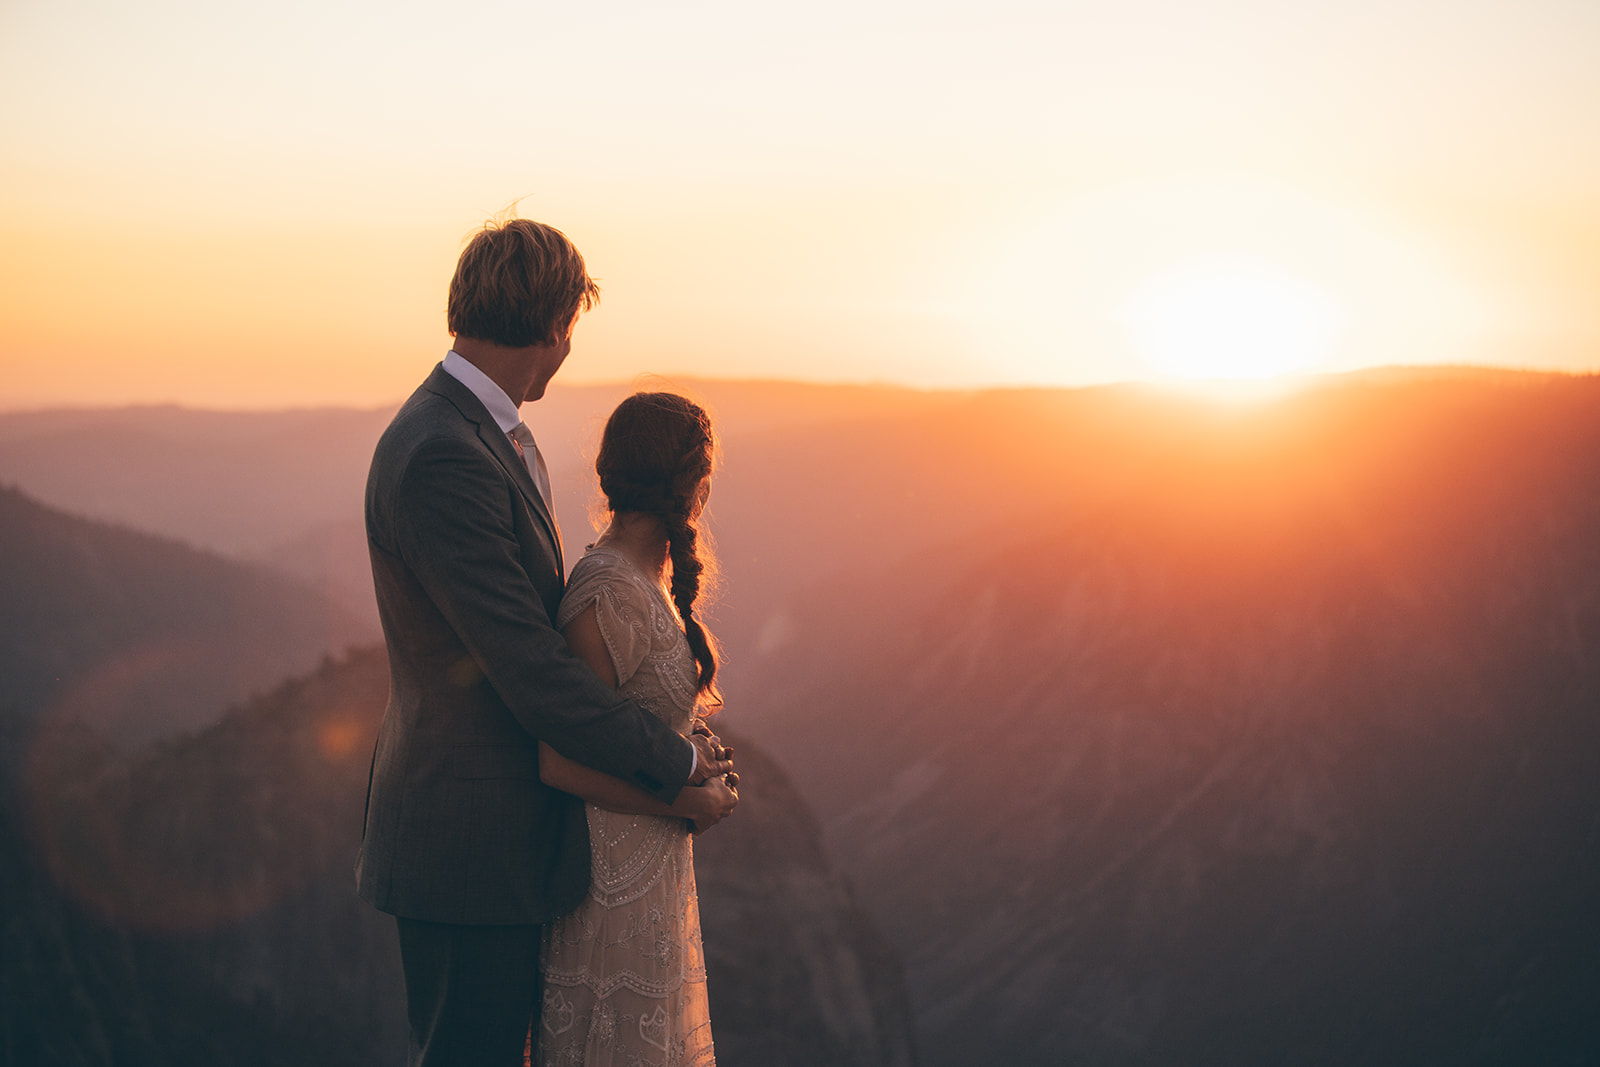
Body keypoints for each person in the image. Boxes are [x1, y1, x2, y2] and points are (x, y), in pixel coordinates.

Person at [356, 218, 738, 1067]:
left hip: (506, 842)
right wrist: (675, 766)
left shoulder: (479, 433)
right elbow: (531, 667)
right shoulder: (442, 453)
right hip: (467, 840)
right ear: (557, 326)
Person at [534, 392, 732, 1067]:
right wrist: (686, 802)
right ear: (694, 489)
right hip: (609, 884)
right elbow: (559, 762)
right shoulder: (606, 590)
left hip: (652, 878)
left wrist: (694, 755)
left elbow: (631, 726)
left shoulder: (641, 581)